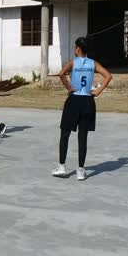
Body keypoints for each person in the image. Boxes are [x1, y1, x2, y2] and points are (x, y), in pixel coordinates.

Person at [52, 36, 113, 181]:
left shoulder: (73, 62)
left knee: (65, 134)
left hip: (74, 100)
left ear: (78, 49)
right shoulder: (93, 63)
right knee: (83, 137)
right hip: (87, 101)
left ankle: (62, 167)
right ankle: (80, 170)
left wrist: (68, 87)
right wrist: (98, 91)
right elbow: (108, 76)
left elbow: (61, 74)